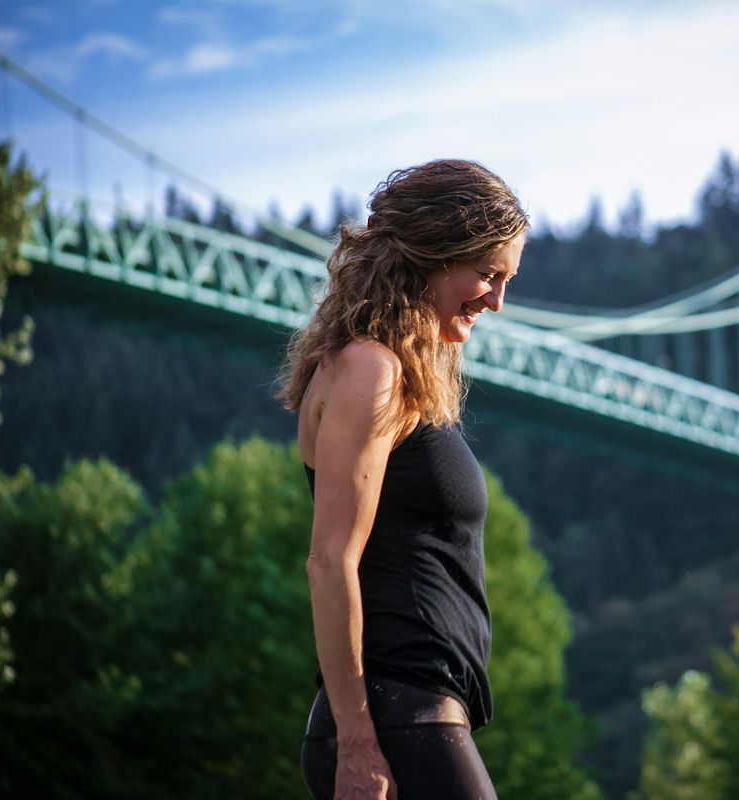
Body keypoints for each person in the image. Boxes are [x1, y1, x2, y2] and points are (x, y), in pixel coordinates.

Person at [276, 159, 528, 800]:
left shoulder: (391, 375)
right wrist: (359, 743)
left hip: (414, 718)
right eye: (488, 275)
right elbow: (330, 561)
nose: (497, 301)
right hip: (394, 724)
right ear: (434, 256)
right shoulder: (369, 370)